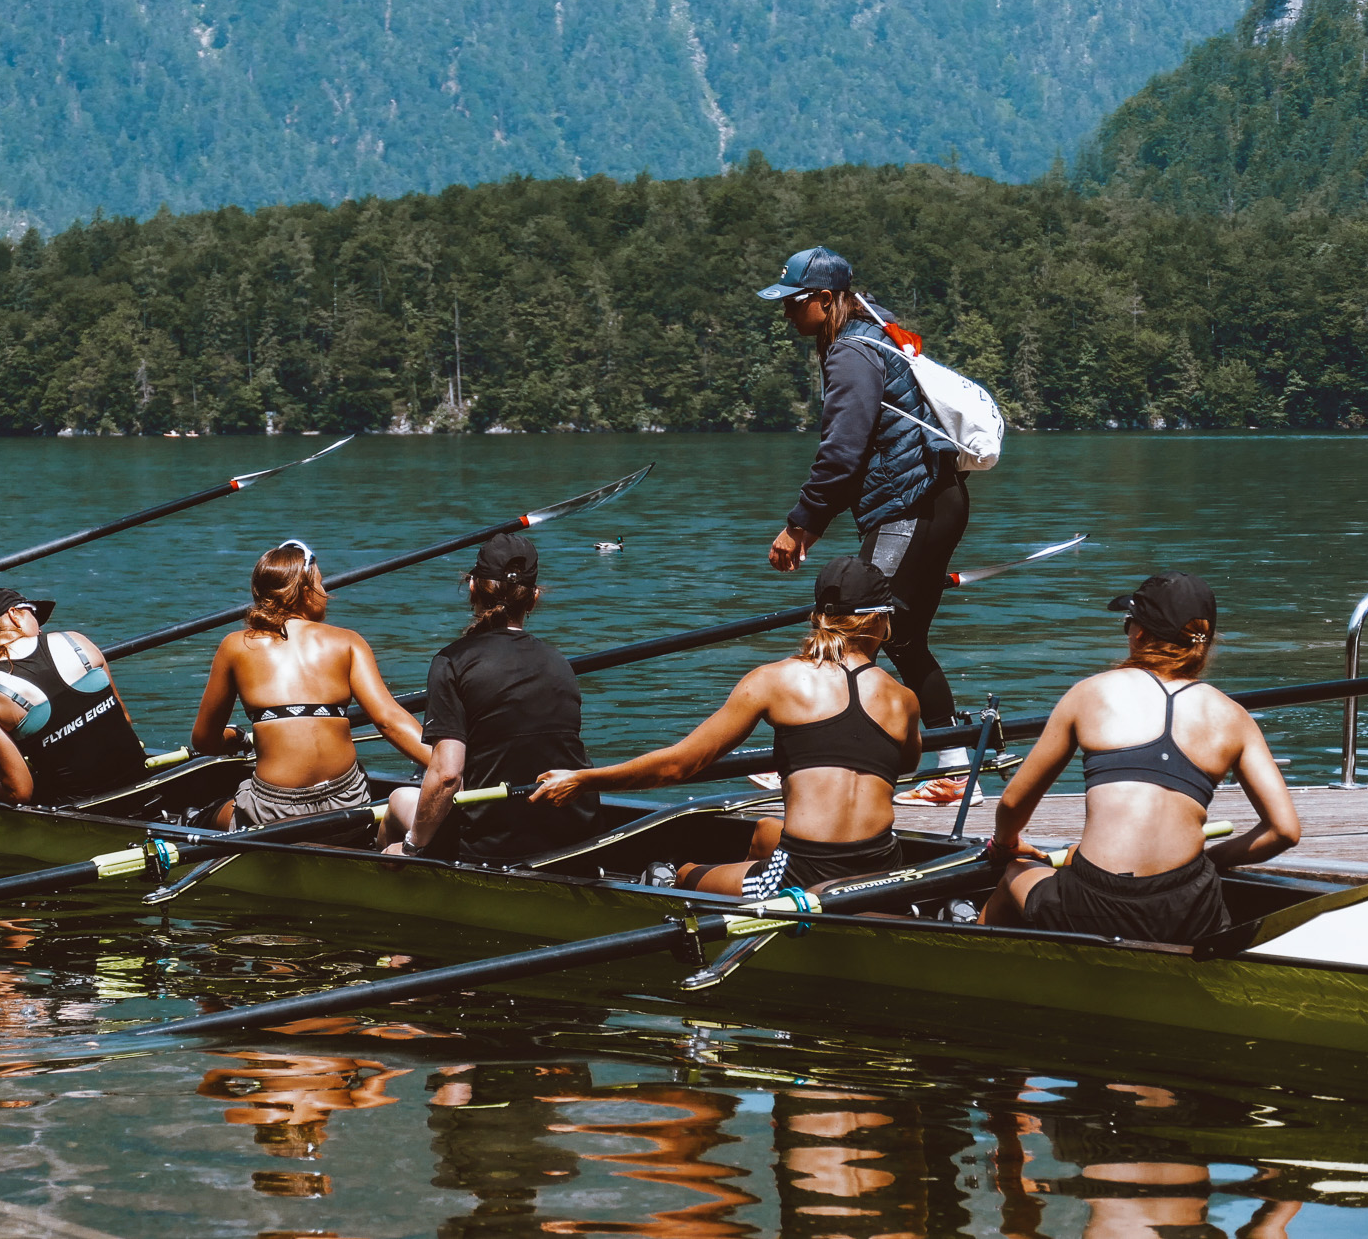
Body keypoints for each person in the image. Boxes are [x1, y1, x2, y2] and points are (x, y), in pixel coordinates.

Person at [533, 557, 920, 897]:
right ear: (879, 620)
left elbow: (677, 767)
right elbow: (903, 765)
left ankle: (675, 890)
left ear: (819, 617)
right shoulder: (903, 699)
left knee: (683, 873)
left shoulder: (773, 680)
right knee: (766, 831)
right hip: (882, 866)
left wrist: (584, 779)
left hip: (804, 877)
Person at [757, 246, 975, 807]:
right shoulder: (871, 335)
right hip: (936, 499)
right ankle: (954, 769)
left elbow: (842, 454)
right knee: (902, 637)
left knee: (847, 625)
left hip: (911, 505)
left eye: (794, 302)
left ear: (825, 299)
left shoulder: (852, 352)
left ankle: (811, 755)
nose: (787, 313)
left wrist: (799, 525)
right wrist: (814, 525)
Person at [981, 573, 1300, 944]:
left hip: (1094, 904)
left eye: (1127, 622)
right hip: (1187, 908)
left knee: (1015, 873)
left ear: (1140, 634)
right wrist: (1211, 860)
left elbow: (1013, 803)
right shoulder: (1234, 717)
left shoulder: (1089, 693)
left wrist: (1005, 845)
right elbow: (1284, 831)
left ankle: (972, 955)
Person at [376, 534, 602, 862]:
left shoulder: (452, 662)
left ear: (472, 588)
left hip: (488, 845)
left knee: (398, 800)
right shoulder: (559, 662)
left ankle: (391, 872)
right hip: (576, 837)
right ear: (533, 598)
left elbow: (447, 775)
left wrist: (412, 846)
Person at [191, 540, 431, 827]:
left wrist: (233, 737)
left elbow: (204, 742)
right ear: (305, 592)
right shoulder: (348, 641)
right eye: (320, 583)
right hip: (347, 802)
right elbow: (388, 720)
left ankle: (193, 821)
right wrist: (447, 767)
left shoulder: (235, 646)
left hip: (273, 812)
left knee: (208, 813)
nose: (325, 593)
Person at [0, 586, 150, 804]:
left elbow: (19, 792)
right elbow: (124, 719)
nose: (41, 626)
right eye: (34, 613)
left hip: (82, 807)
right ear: (14, 615)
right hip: (142, 784)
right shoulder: (77, 641)